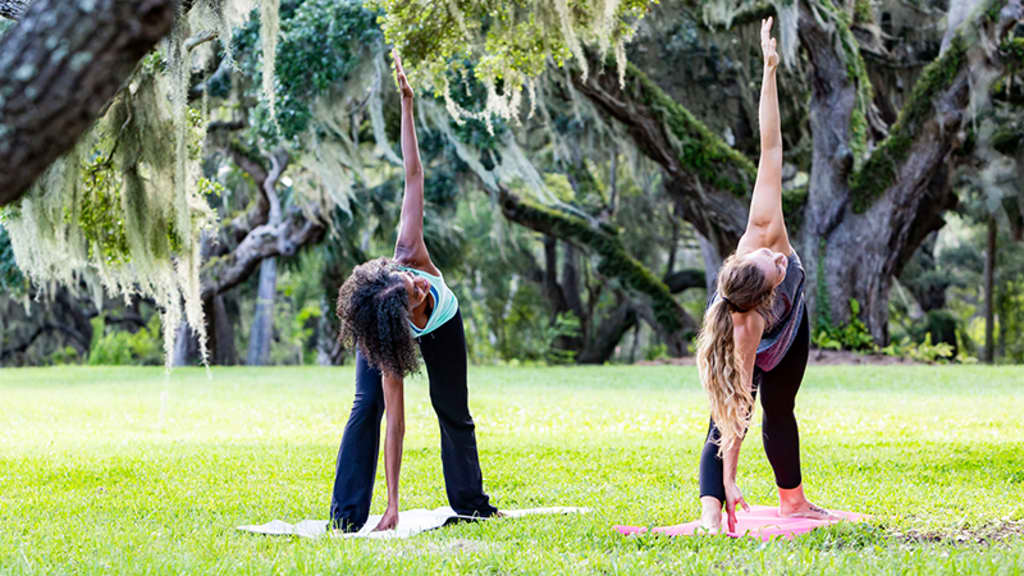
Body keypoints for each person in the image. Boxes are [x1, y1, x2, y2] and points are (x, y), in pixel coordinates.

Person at [329, 51, 499, 532]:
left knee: (453, 408)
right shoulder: (385, 338)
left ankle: (471, 503)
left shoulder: (410, 253)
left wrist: (406, 104)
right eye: (413, 290)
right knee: (369, 408)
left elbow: (413, 175)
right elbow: (396, 426)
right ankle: (347, 516)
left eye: (409, 280)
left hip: (445, 327)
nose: (418, 283)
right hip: (385, 336)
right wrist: (394, 504)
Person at [695, 17, 831, 534]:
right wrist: (730, 479)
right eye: (776, 267)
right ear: (757, 299)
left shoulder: (764, 226)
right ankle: (711, 507)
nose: (781, 260)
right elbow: (735, 410)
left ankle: (792, 500)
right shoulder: (745, 327)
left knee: (782, 408)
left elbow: (769, 146)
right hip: (760, 340)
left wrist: (769, 71)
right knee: (723, 416)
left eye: (772, 260)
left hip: (791, 330)